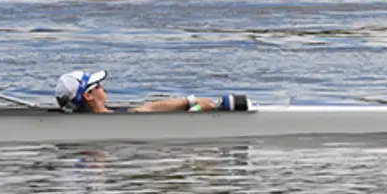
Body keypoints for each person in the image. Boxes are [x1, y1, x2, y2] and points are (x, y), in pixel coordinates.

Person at [54, 70, 250, 113]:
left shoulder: (113, 114)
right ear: (88, 96)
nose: (104, 87)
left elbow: (148, 107)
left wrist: (192, 102)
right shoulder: (126, 118)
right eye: (98, 86)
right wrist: (196, 108)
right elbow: (145, 111)